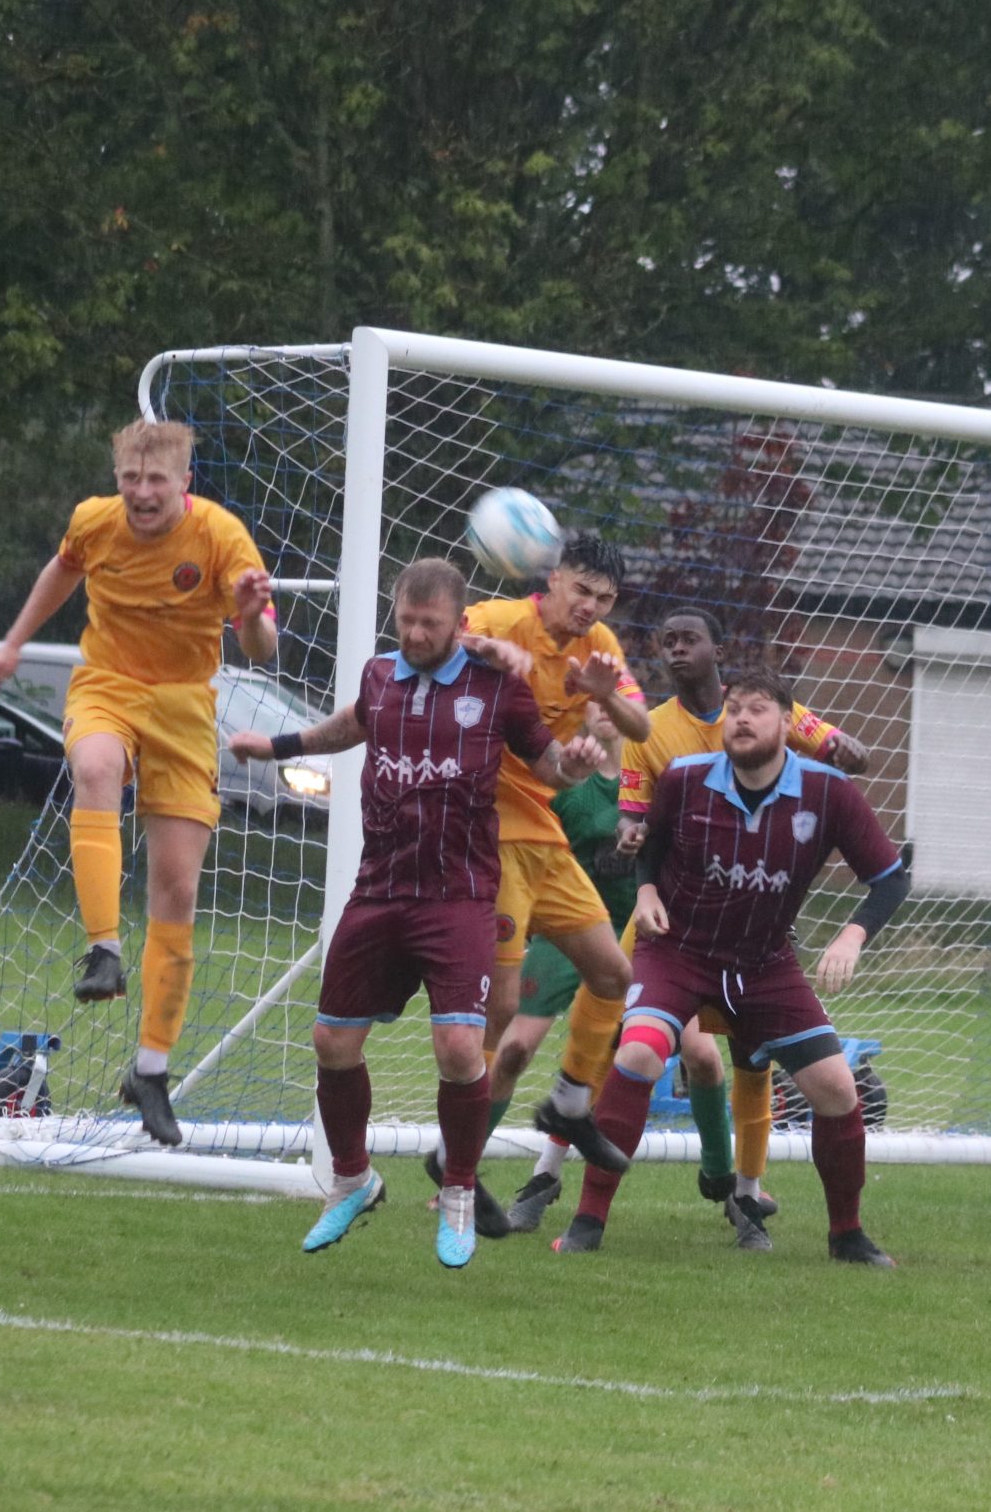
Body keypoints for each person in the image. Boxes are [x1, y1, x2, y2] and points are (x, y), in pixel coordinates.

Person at [226, 558, 603, 1266]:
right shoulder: (379, 675)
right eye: (406, 619)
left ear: (461, 624)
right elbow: (355, 724)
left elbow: (550, 764)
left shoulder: (496, 686)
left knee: (460, 1049)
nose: (415, 632)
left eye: (430, 623)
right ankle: (353, 1180)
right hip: (380, 888)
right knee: (332, 1041)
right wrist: (279, 744)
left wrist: (578, 763)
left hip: (458, 895)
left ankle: (458, 1191)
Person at [525, 604, 872, 1247]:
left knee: (745, 1056)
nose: (678, 650)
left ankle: (745, 1192)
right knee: (610, 1038)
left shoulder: (768, 713)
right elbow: (636, 816)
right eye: (668, 641)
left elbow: (846, 754)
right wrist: (634, 846)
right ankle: (547, 1178)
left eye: (691, 640)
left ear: (717, 648)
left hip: (754, 934)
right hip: (669, 922)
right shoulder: (652, 732)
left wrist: (840, 746)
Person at [0, 419, 276, 1145]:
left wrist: (246, 608)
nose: (142, 495)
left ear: (185, 484)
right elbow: (63, 568)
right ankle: (103, 948)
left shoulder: (225, 539)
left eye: (156, 483)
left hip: (183, 704)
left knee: (177, 889)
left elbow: (263, 646)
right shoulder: (93, 520)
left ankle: (150, 1069)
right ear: (118, 482)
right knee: (96, 766)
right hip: (106, 684)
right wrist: (15, 642)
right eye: (130, 481)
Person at [479, 701, 737, 1238]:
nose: (606, 712)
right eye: (594, 704)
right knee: (514, 1050)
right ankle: (461, 1172)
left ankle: (724, 1177)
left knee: (704, 1055)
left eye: (619, 701)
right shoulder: (565, 782)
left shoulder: (660, 777)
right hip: (573, 935)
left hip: (652, 934)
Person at [458, 535, 653, 1178]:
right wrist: (488, 650)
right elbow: (430, 645)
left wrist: (607, 696)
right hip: (488, 821)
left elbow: (641, 727)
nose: (590, 606)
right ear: (554, 579)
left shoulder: (601, 648)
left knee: (613, 976)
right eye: (582, 590)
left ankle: (569, 1106)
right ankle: (458, 1157)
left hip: (540, 829)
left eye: (604, 598)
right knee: (502, 1013)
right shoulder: (496, 617)